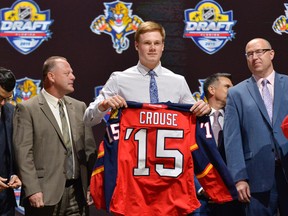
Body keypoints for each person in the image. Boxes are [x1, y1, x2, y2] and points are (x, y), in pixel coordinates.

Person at [83, 21, 211, 127]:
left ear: (163, 46)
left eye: (157, 43)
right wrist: (103, 105)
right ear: (137, 46)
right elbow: (88, 120)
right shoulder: (119, 79)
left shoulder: (178, 81)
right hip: (131, 155)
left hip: (168, 154)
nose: (152, 48)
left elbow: (193, 116)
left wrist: (202, 110)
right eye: (147, 43)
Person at [13, 56, 97, 216]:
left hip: (77, 194)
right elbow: (23, 154)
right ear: (51, 76)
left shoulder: (79, 107)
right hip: (44, 194)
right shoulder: (28, 109)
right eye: (67, 73)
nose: (73, 77)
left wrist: (91, 185)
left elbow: (88, 150)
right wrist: (32, 189)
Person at [224, 38, 288, 216]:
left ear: (271, 54)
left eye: (259, 52)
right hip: (256, 178)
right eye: (249, 54)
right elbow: (232, 140)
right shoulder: (236, 93)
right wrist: (239, 178)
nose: (255, 57)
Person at [193, 73, 245, 216]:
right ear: (212, 89)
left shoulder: (238, 119)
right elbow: (186, 159)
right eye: (227, 86)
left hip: (232, 196)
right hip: (200, 199)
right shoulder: (192, 121)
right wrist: (201, 189)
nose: (233, 90)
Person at [0, 67, 22, 216]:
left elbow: (13, 151)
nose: (3, 103)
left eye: (7, 98)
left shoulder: (10, 111)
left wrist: (15, 173)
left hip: (5, 203)